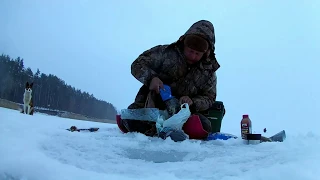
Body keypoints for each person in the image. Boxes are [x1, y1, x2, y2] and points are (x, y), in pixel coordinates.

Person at [121, 20, 221, 138]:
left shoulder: (208, 72)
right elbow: (137, 64)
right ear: (184, 43)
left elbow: (210, 98)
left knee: (203, 125)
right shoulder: (165, 52)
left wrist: (192, 102)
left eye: (197, 53)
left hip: (184, 114)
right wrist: (151, 78)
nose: (193, 56)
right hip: (152, 107)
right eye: (190, 51)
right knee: (131, 117)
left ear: (206, 52)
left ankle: (170, 130)